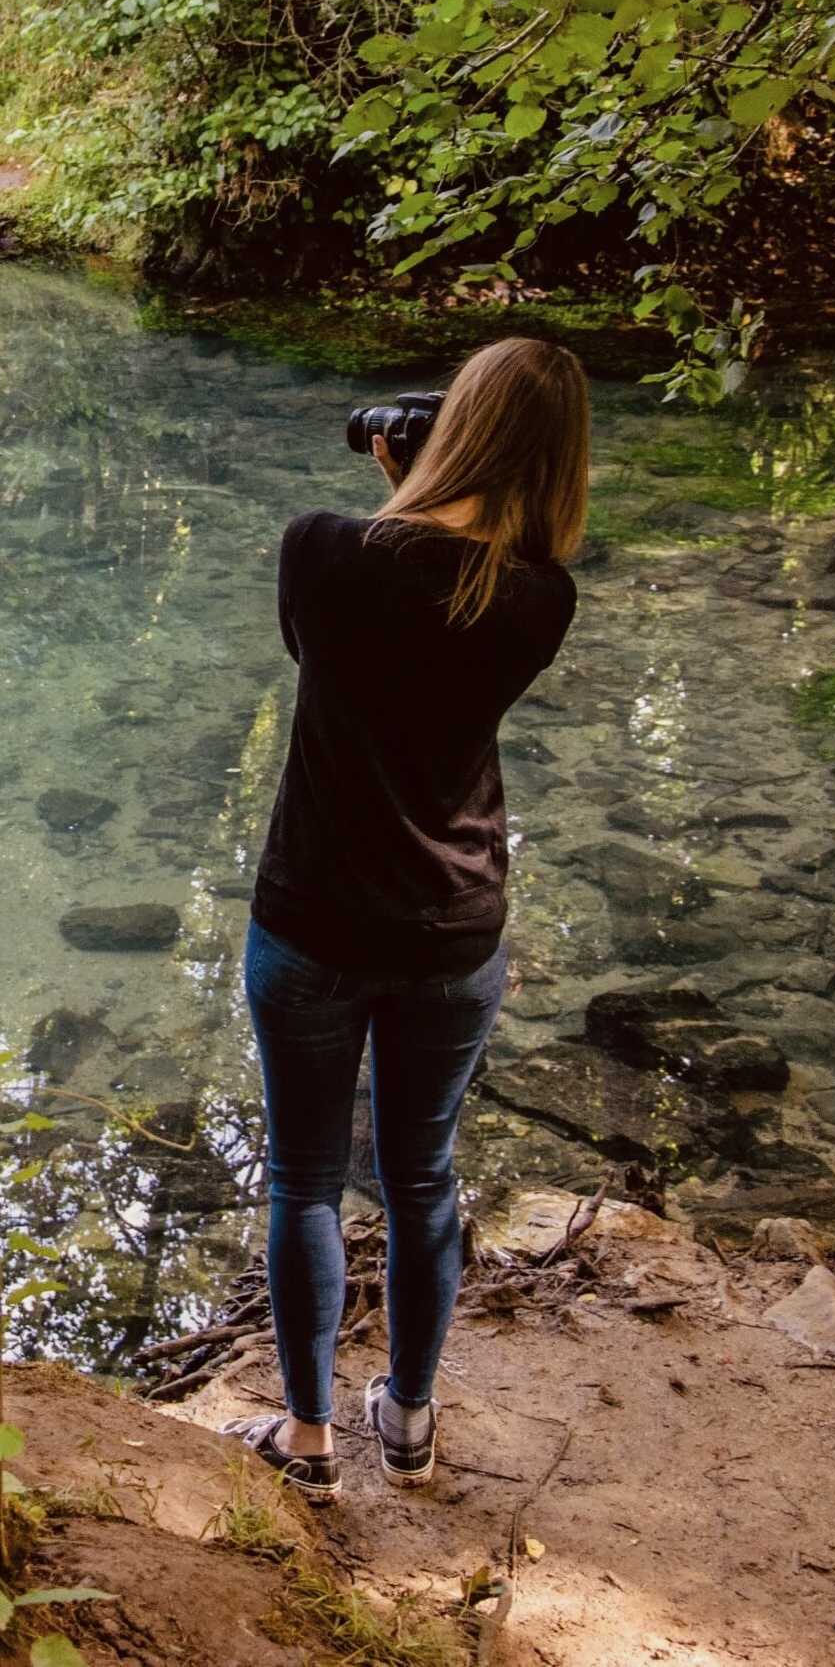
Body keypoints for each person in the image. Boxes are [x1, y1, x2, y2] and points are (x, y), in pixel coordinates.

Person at [221, 337, 589, 1501]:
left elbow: (332, 637)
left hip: (313, 925)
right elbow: (444, 605)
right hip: (451, 932)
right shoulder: (541, 598)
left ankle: (309, 1438)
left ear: (449, 430)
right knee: (422, 1176)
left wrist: (401, 497)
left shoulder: (323, 551)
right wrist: (428, 505)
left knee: (303, 1181)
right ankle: (413, 1423)